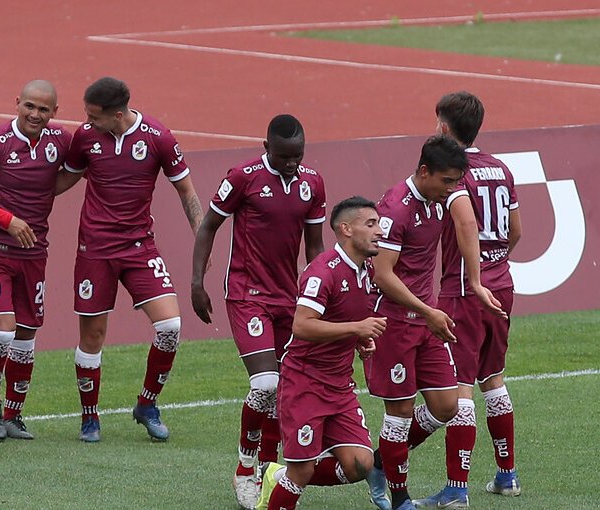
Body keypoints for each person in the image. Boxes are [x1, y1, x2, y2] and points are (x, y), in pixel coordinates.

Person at [55, 76, 204, 442]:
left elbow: (187, 191)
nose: (87, 122)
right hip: (95, 251)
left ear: (117, 114)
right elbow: (62, 182)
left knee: (170, 327)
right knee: (93, 337)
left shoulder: (158, 138)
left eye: (93, 116)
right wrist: (16, 198)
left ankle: (147, 404)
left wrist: (203, 241)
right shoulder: (85, 138)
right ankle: (90, 417)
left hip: (139, 248)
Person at [191, 114, 326, 509]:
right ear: (266, 148)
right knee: (265, 385)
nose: (291, 163)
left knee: (283, 389)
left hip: (291, 299)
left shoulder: (312, 183)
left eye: (297, 156)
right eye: (284, 156)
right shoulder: (243, 177)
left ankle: (269, 467)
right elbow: (208, 226)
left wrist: (319, 296)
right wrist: (197, 282)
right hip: (247, 293)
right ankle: (244, 469)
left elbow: (314, 247)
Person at [414, 92, 522, 509]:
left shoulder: (453, 173)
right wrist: (495, 265)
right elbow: (514, 230)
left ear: (444, 127)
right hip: (503, 285)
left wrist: (474, 275)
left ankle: (457, 489)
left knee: (460, 387)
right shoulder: (501, 168)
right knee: (493, 378)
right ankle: (507, 475)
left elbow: (464, 225)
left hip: (464, 289)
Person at [255, 196, 385, 510]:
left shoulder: (365, 270)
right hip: (304, 383)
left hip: (339, 385)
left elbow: (345, 318)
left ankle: (276, 474)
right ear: (346, 229)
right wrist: (356, 329)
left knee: (360, 464)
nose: (380, 230)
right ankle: (284, 479)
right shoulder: (323, 271)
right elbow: (301, 325)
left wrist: (360, 341)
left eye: (378, 223)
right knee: (302, 471)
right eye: (370, 224)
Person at [364, 135, 468, 510]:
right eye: (447, 181)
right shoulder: (395, 209)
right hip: (392, 324)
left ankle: (379, 461)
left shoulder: (437, 202)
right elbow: (382, 273)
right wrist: (428, 311)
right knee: (401, 412)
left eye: (456, 181)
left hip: (426, 321)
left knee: (446, 406)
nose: (452, 188)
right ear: (424, 172)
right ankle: (400, 496)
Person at [0, 80, 72, 441]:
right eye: (29, 106)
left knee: (26, 335)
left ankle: (14, 415)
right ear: (17, 103)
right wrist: (8, 220)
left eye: (44, 109)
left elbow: (78, 168)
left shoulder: (61, 142)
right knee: (2, 329)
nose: (35, 114)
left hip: (34, 253)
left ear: (54, 113)